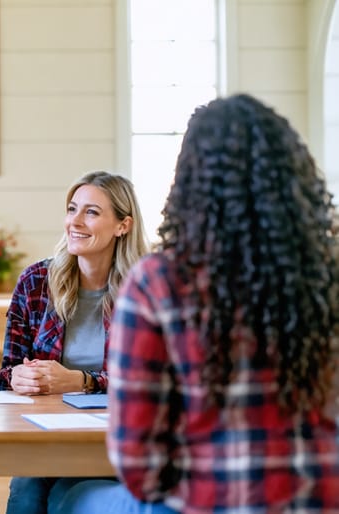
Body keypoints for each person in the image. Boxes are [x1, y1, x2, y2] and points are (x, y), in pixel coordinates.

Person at [50, 94, 339, 513]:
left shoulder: (158, 283)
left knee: (68, 497)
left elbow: (140, 467)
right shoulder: (329, 279)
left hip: (211, 501)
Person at [0, 171, 149, 514]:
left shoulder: (146, 290)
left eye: (91, 212)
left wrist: (82, 382)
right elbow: (6, 372)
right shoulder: (36, 281)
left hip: (119, 439)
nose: (75, 222)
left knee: (66, 494)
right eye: (72, 209)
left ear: (122, 225)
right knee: (26, 490)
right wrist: (19, 378)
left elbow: (150, 384)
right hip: (47, 433)